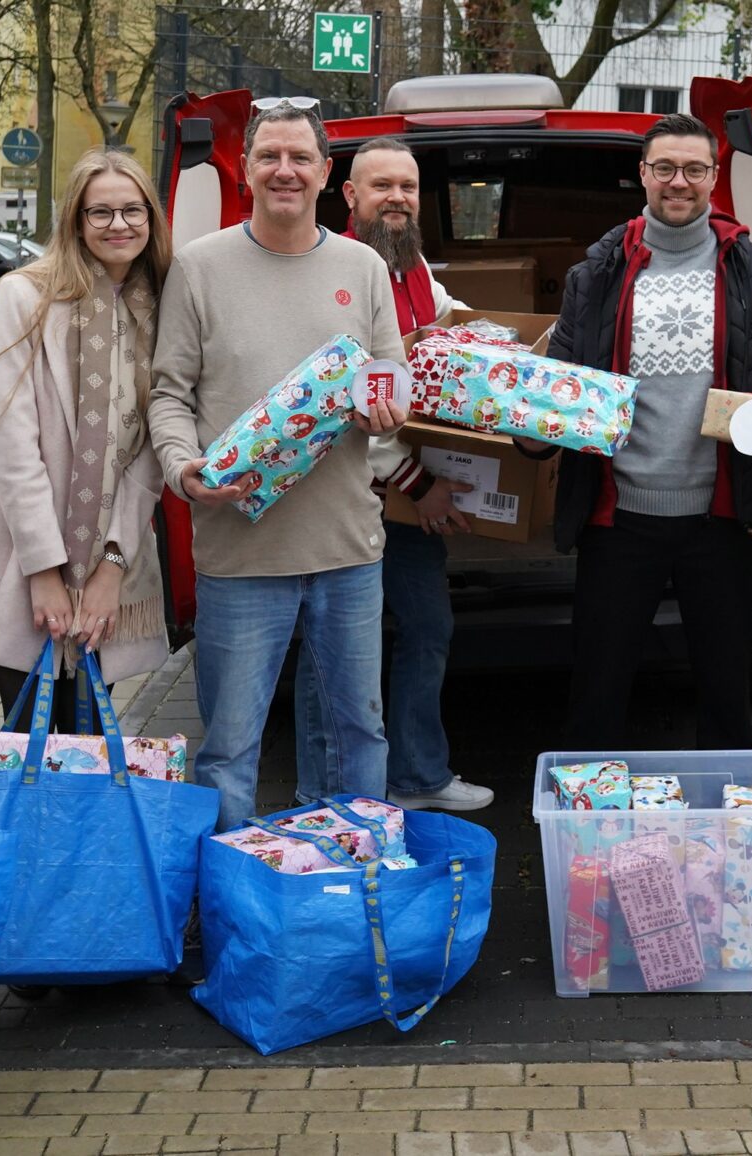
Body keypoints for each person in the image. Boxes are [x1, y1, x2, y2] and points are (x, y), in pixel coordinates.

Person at [148, 101, 410, 832]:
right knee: (230, 749)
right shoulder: (199, 268)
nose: (285, 170)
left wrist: (385, 409)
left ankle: (354, 884)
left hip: (347, 552)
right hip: (239, 552)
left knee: (360, 737)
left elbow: (391, 380)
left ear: (327, 173)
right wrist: (183, 466)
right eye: (270, 157)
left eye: (301, 158)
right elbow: (167, 395)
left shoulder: (361, 267)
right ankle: (236, 900)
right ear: (246, 169)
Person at [541, 112, 752, 750]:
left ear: (714, 179)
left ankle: (733, 834)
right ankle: (590, 831)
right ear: (642, 174)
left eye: (694, 169)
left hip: (722, 517)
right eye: (664, 168)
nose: (678, 181)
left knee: (727, 697)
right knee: (597, 694)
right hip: (618, 517)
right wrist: (527, 425)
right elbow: (557, 376)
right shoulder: (598, 272)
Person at [292, 137, 493, 812]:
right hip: (341, 501)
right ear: (349, 196)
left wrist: (508, 356)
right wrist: (421, 484)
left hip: (397, 505)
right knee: (334, 656)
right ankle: (330, 799)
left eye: (407, 187)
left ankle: (417, 778)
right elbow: (347, 405)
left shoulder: (411, 270)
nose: (398, 199)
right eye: (382, 187)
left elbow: (450, 322)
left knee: (428, 629)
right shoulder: (332, 274)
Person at [0, 149, 172, 725]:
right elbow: (12, 445)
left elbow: (150, 453)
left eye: (133, 210)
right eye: (99, 212)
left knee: (86, 753)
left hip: (115, 566)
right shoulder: (24, 296)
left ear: (151, 219)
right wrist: (45, 573)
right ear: (76, 222)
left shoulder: (160, 307)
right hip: (27, 563)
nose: (119, 225)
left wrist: (111, 568)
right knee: (29, 745)